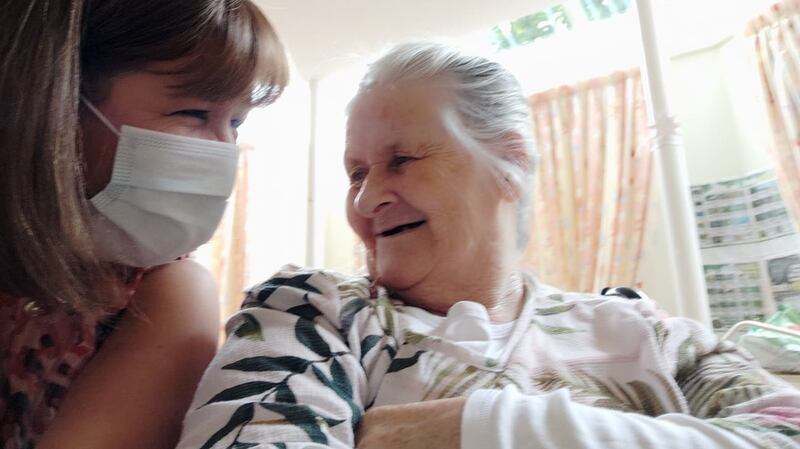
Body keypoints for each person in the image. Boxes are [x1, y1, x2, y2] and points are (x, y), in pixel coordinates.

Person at [177, 42, 800, 449]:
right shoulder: (311, 314)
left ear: (510, 164)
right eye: (356, 174)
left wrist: (480, 427)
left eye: (402, 160)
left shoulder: (640, 331)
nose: (367, 202)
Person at [0, 1, 288, 448]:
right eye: (194, 114)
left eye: (236, 122)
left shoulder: (168, 293)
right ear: (61, 105)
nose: (224, 149)